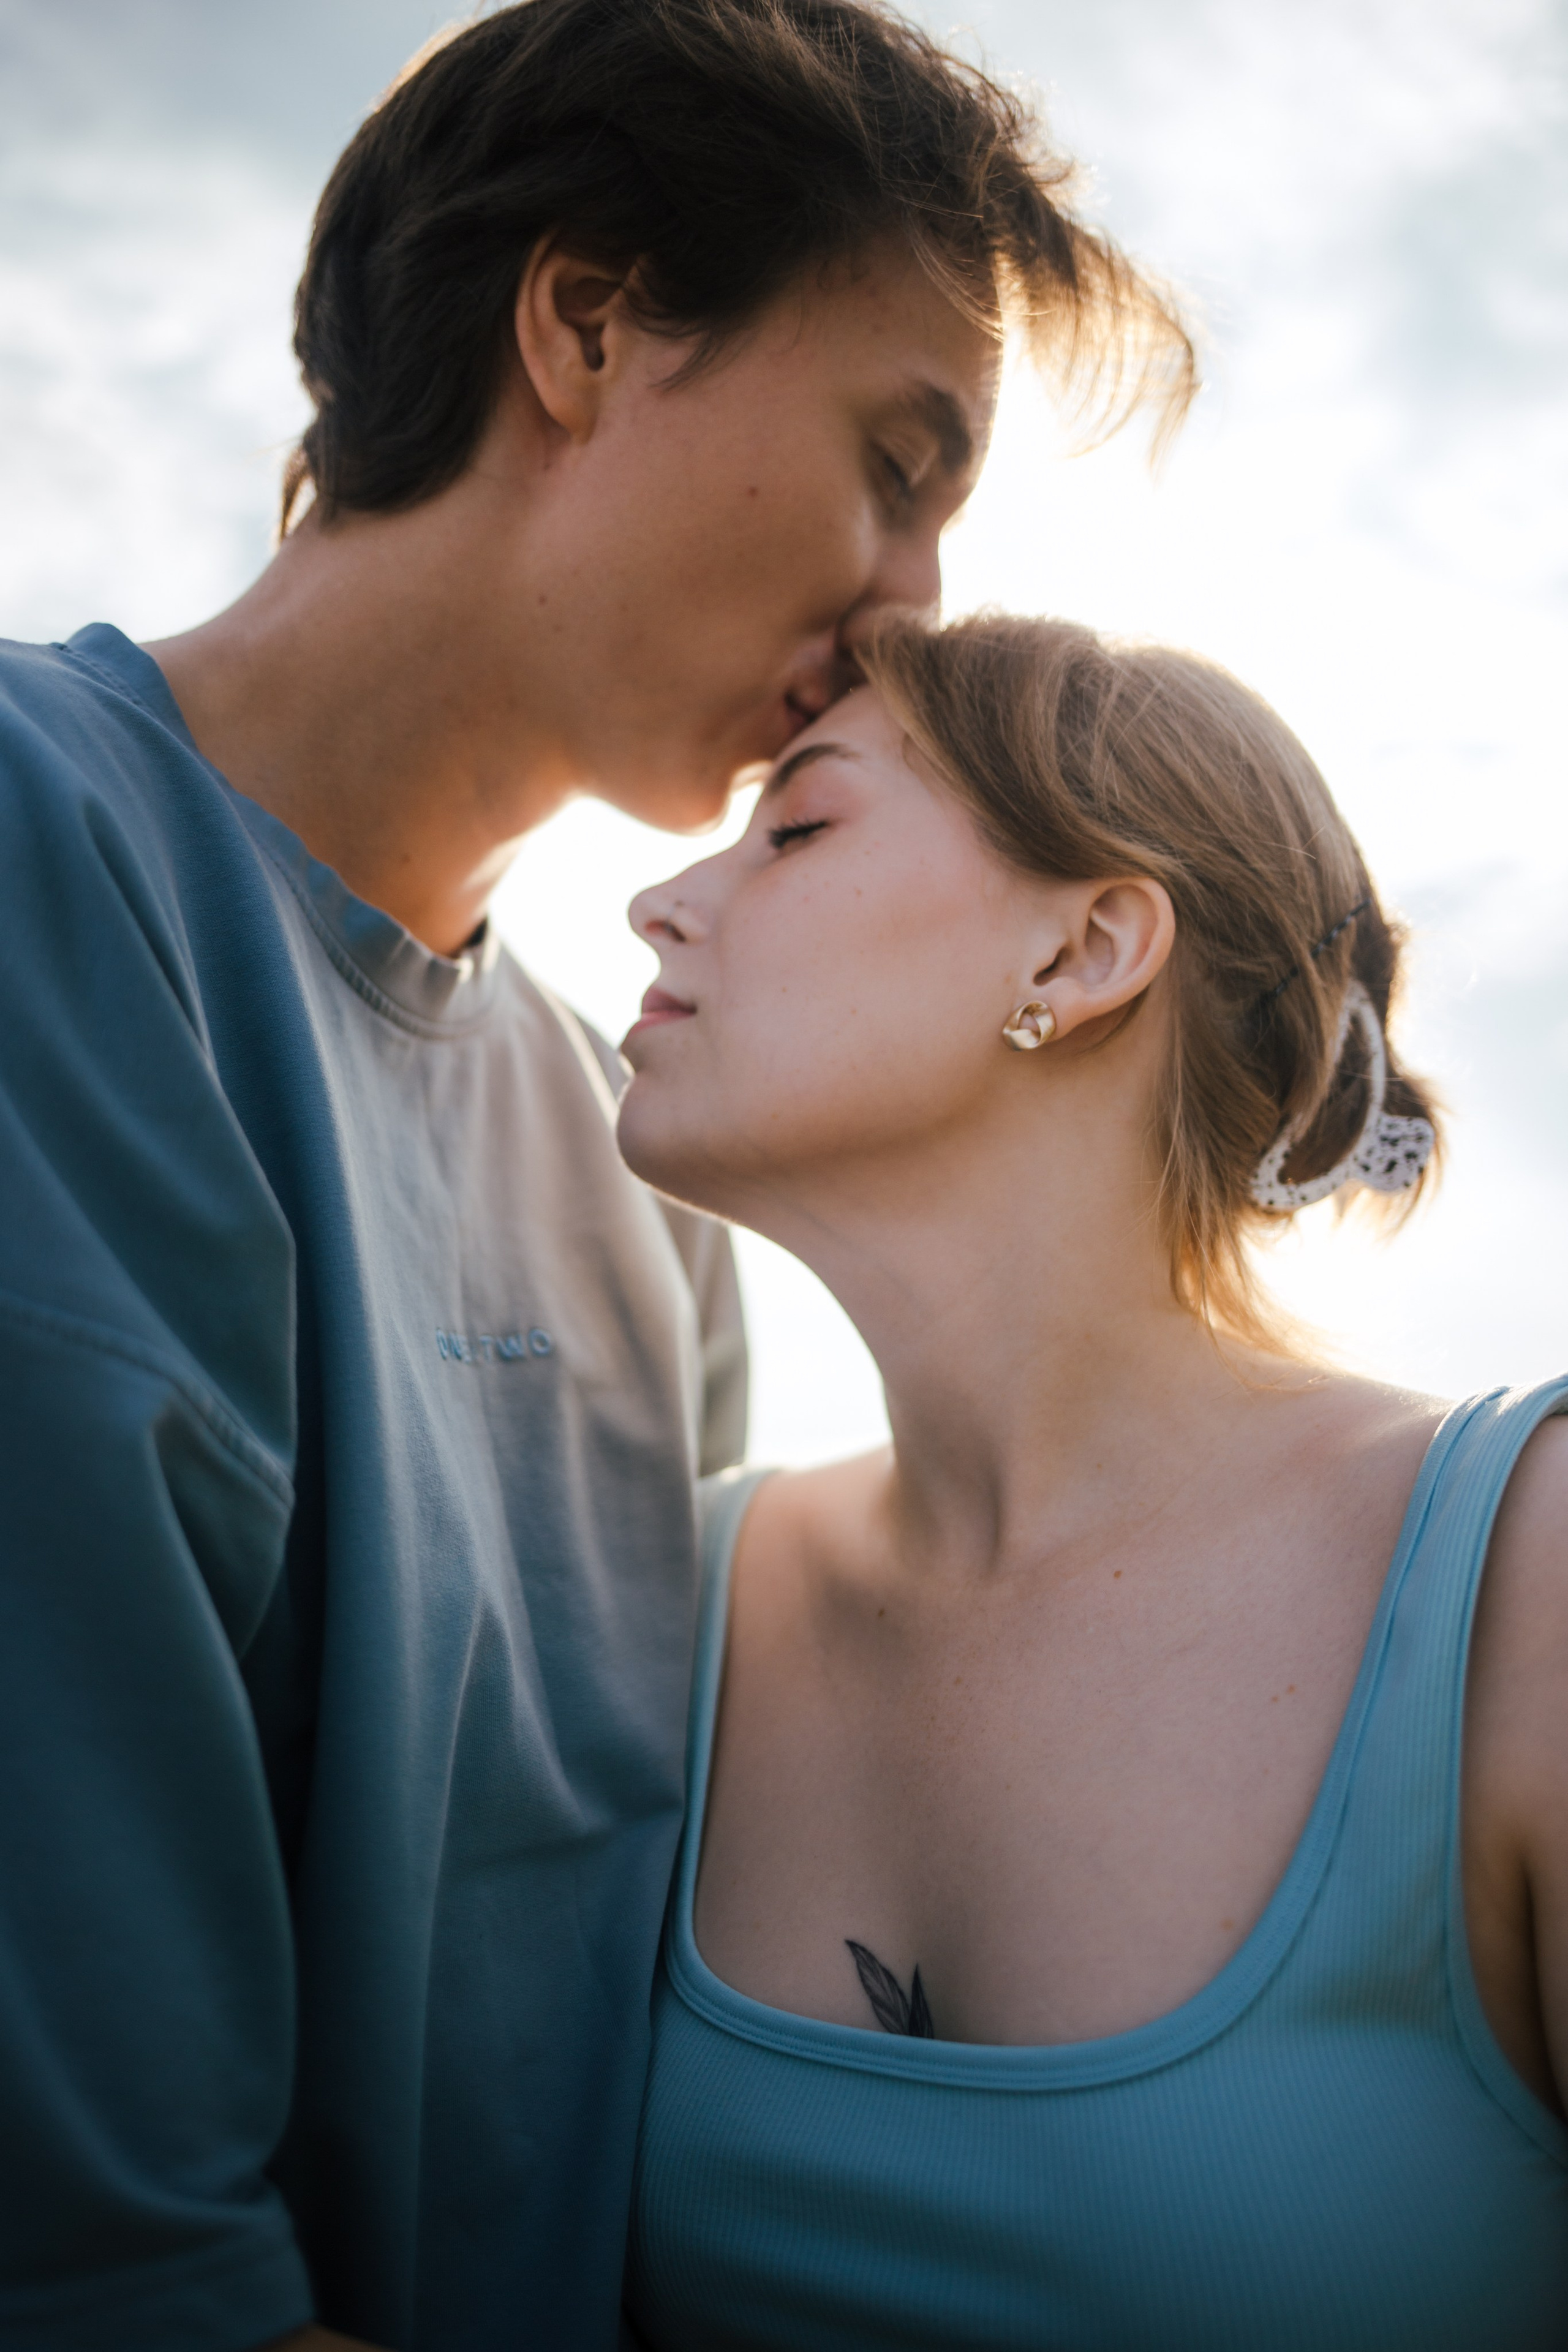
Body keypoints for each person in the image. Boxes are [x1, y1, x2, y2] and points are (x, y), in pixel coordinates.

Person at [0, 7, 1194, 2350]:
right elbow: (105, 2273)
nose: (914, 600)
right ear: (587, 321)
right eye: (898, 455)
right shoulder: (46, 868)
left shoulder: (650, 1192)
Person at [616, 613, 1568, 2349]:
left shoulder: (1529, 1578)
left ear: (1087, 946)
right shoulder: (671, 1597)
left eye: (800, 829)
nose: (659, 903)